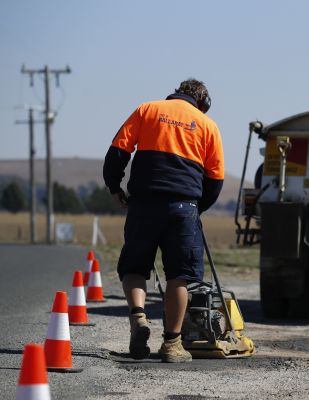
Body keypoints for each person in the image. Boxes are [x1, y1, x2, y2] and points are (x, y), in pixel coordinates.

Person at [103, 79, 224, 363]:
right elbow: (215, 180)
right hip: (183, 207)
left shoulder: (147, 110)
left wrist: (114, 187)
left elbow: (117, 152)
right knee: (179, 276)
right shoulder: (208, 125)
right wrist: (196, 209)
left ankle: (139, 317)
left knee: (134, 266)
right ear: (202, 103)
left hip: (144, 203)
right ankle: (171, 344)